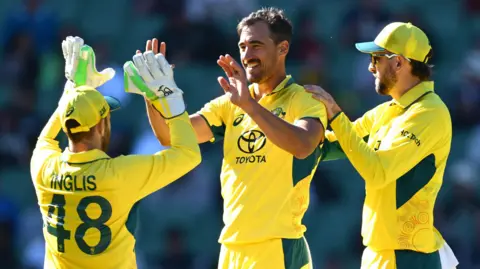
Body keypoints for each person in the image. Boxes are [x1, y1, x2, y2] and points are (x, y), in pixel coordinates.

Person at [139, 7, 328, 269]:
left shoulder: (305, 99)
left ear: (283, 48)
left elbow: (304, 145)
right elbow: (170, 136)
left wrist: (250, 106)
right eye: (243, 46)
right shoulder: (230, 104)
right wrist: (154, 94)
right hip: (232, 248)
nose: (247, 55)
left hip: (277, 247)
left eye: (256, 45)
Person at [29, 36, 201, 269]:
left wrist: (72, 89)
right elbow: (189, 153)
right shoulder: (121, 173)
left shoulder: (44, 167)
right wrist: (169, 97)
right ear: (101, 126)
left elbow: (46, 138)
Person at [304, 22, 459, 269]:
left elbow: (378, 172)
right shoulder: (387, 111)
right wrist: (281, 132)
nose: (370, 66)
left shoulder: (430, 112)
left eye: (377, 58)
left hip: (409, 257)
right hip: (381, 254)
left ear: (398, 62)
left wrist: (334, 114)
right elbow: (336, 144)